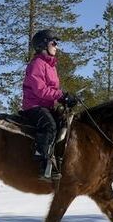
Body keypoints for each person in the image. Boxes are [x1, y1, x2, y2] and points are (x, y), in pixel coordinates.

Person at [22, 29, 78, 181]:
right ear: (43, 45)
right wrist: (61, 95)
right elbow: (40, 90)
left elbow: (52, 89)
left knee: (65, 124)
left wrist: (65, 98)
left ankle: (60, 160)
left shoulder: (50, 66)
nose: (56, 46)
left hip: (46, 106)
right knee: (50, 126)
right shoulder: (37, 64)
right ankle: (42, 164)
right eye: (54, 43)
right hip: (34, 106)